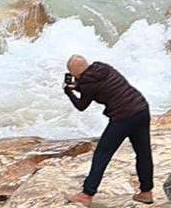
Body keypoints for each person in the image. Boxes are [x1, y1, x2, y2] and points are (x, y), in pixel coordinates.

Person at [63, 51, 154, 198]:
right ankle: (146, 192)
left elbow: (81, 105)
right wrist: (77, 86)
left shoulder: (87, 84)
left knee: (102, 154)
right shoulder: (103, 68)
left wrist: (68, 91)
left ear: (74, 73)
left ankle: (87, 194)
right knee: (143, 153)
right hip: (141, 109)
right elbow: (95, 87)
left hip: (123, 117)